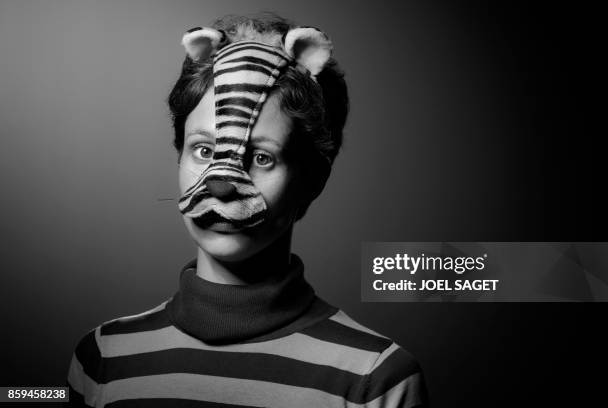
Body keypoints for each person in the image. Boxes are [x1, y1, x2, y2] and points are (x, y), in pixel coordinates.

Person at [65, 13, 428, 407]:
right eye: (204, 151)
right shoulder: (102, 359)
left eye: (261, 157)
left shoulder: (377, 380)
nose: (220, 186)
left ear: (312, 180)